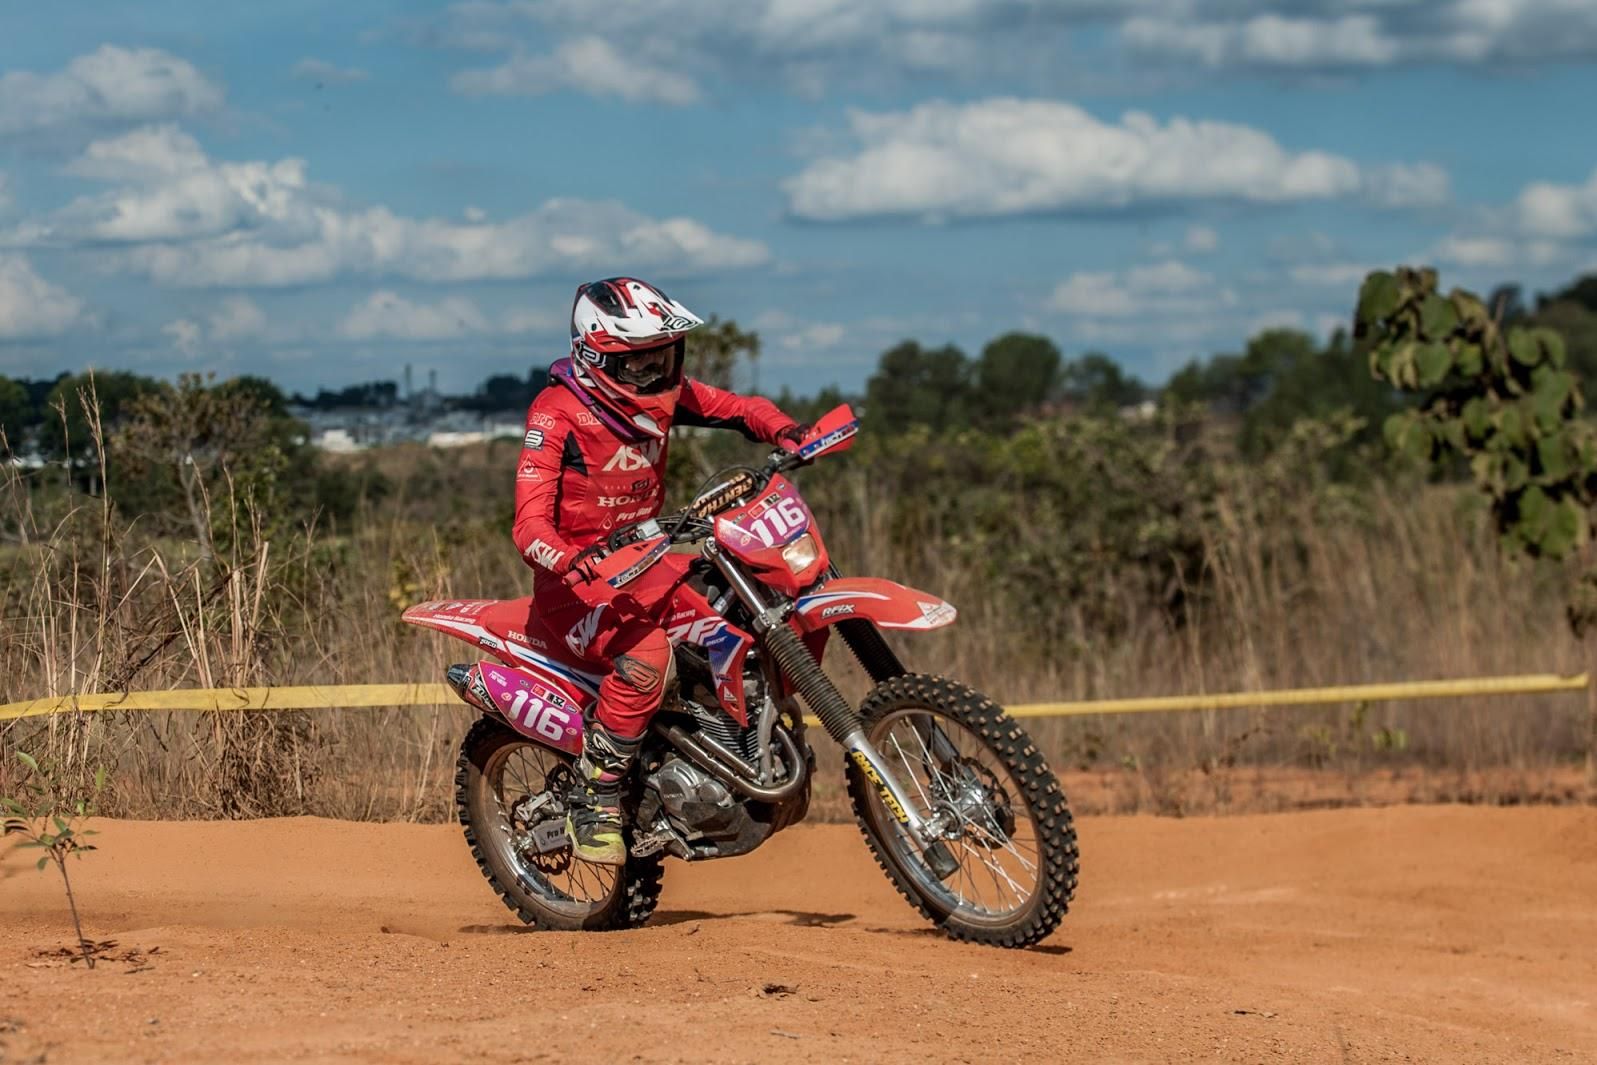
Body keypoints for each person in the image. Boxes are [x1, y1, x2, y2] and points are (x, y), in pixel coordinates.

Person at [512, 277, 806, 865]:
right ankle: (597, 795)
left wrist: (787, 431)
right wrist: (571, 560)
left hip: (652, 564)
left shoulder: (668, 395)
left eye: (663, 359)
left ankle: (720, 757)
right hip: (577, 587)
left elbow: (741, 409)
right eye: (640, 363)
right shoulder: (557, 413)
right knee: (647, 659)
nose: (656, 375)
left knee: (739, 626)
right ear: (597, 356)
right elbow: (528, 527)